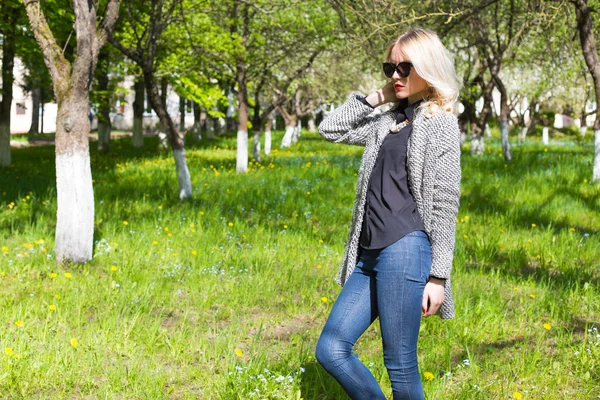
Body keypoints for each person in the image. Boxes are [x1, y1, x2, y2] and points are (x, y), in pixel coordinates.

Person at [315, 27, 461, 400]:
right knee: (331, 349)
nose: (396, 75)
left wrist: (438, 277)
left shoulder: (440, 124)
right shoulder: (387, 122)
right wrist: (376, 97)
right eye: (390, 68)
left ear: (427, 68)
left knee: (399, 362)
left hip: (405, 250)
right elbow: (330, 128)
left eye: (405, 68)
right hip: (369, 254)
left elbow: (445, 204)